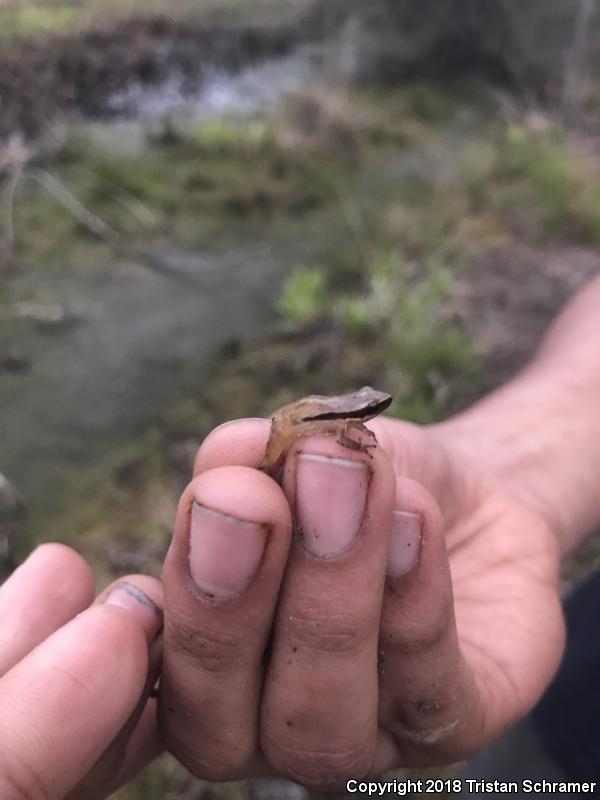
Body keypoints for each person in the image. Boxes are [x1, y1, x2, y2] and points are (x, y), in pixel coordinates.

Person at [0, 273, 598, 798]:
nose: (375, 413)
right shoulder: (346, 423)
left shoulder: (351, 424)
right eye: (374, 410)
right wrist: (508, 482)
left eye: (373, 411)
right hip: (560, 736)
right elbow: (317, 424)